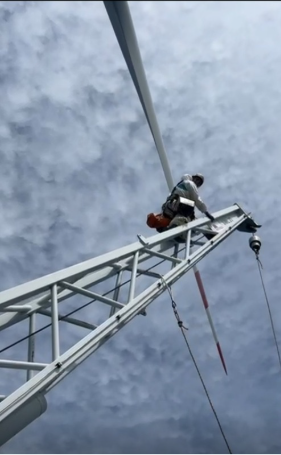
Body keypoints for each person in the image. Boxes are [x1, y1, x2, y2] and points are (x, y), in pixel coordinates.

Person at [146, 173, 215, 232]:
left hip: (170, 207)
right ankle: (176, 225)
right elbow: (197, 199)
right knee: (190, 207)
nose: (197, 182)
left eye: (199, 182)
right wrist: (206, 212)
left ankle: (166, 227)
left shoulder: (180, 184)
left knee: (190, 216)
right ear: (192, 178)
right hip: (178, 203)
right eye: (196, 179)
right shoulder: (190, 183)